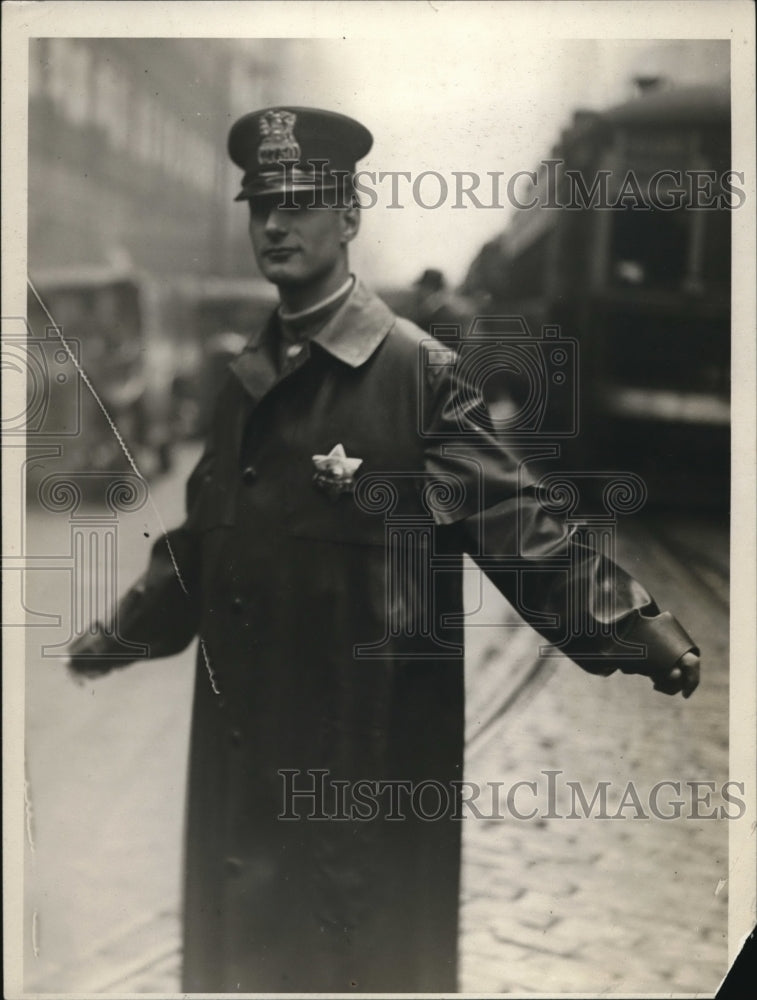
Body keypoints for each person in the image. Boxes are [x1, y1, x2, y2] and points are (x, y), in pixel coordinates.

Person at [67, 106, 700, 993]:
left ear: (350, 213)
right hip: (243, 763)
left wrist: (636, 628)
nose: (275, 224)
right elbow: (201, 540)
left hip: (361, 771)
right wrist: (120, 633)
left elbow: (523, 528)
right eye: (261, 206)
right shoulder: (248, 375)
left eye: (299, 201)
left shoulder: (418, 377)